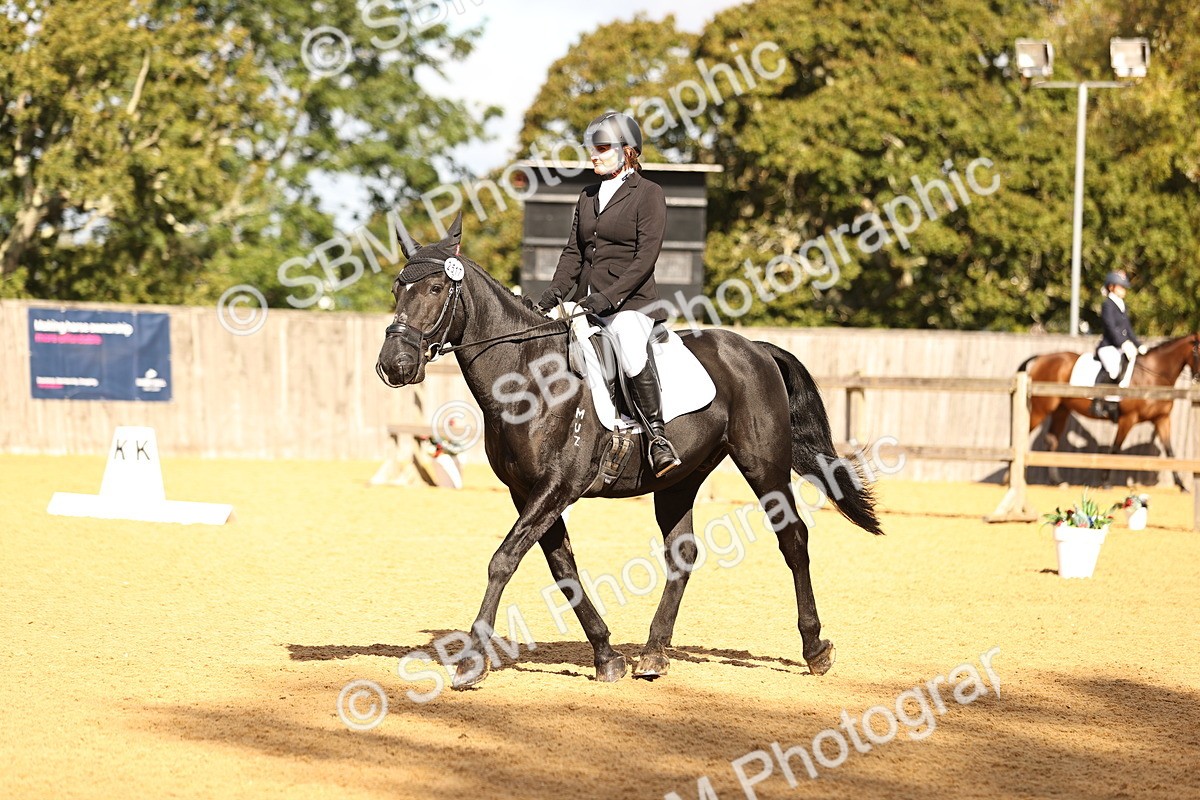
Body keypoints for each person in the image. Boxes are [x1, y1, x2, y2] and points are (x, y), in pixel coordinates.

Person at [528, 111, 680, 477]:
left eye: (600, 148)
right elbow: (573, 254)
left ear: (627, 151)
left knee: (628, 344)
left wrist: (608, 298)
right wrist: (550, 296)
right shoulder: (587, 195)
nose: (592, 155)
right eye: (590, 148)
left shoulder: (648, 194)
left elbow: (646, 258)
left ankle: (657, 436)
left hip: (631, 304)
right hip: (587, 303)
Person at [1090, 270, 1147, 421]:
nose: (1124, 290)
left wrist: (1138, 345)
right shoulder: (1108, 305)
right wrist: (1123, 343)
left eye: (1124, 287)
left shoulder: (1122, 305)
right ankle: (1097, 400)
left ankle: (1114, 402)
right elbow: (1110, 327)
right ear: (1111, 287)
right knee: (1114, 370)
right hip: (1108, 346)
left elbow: (1128, 329)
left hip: (1120, 347)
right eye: (1121, 287)